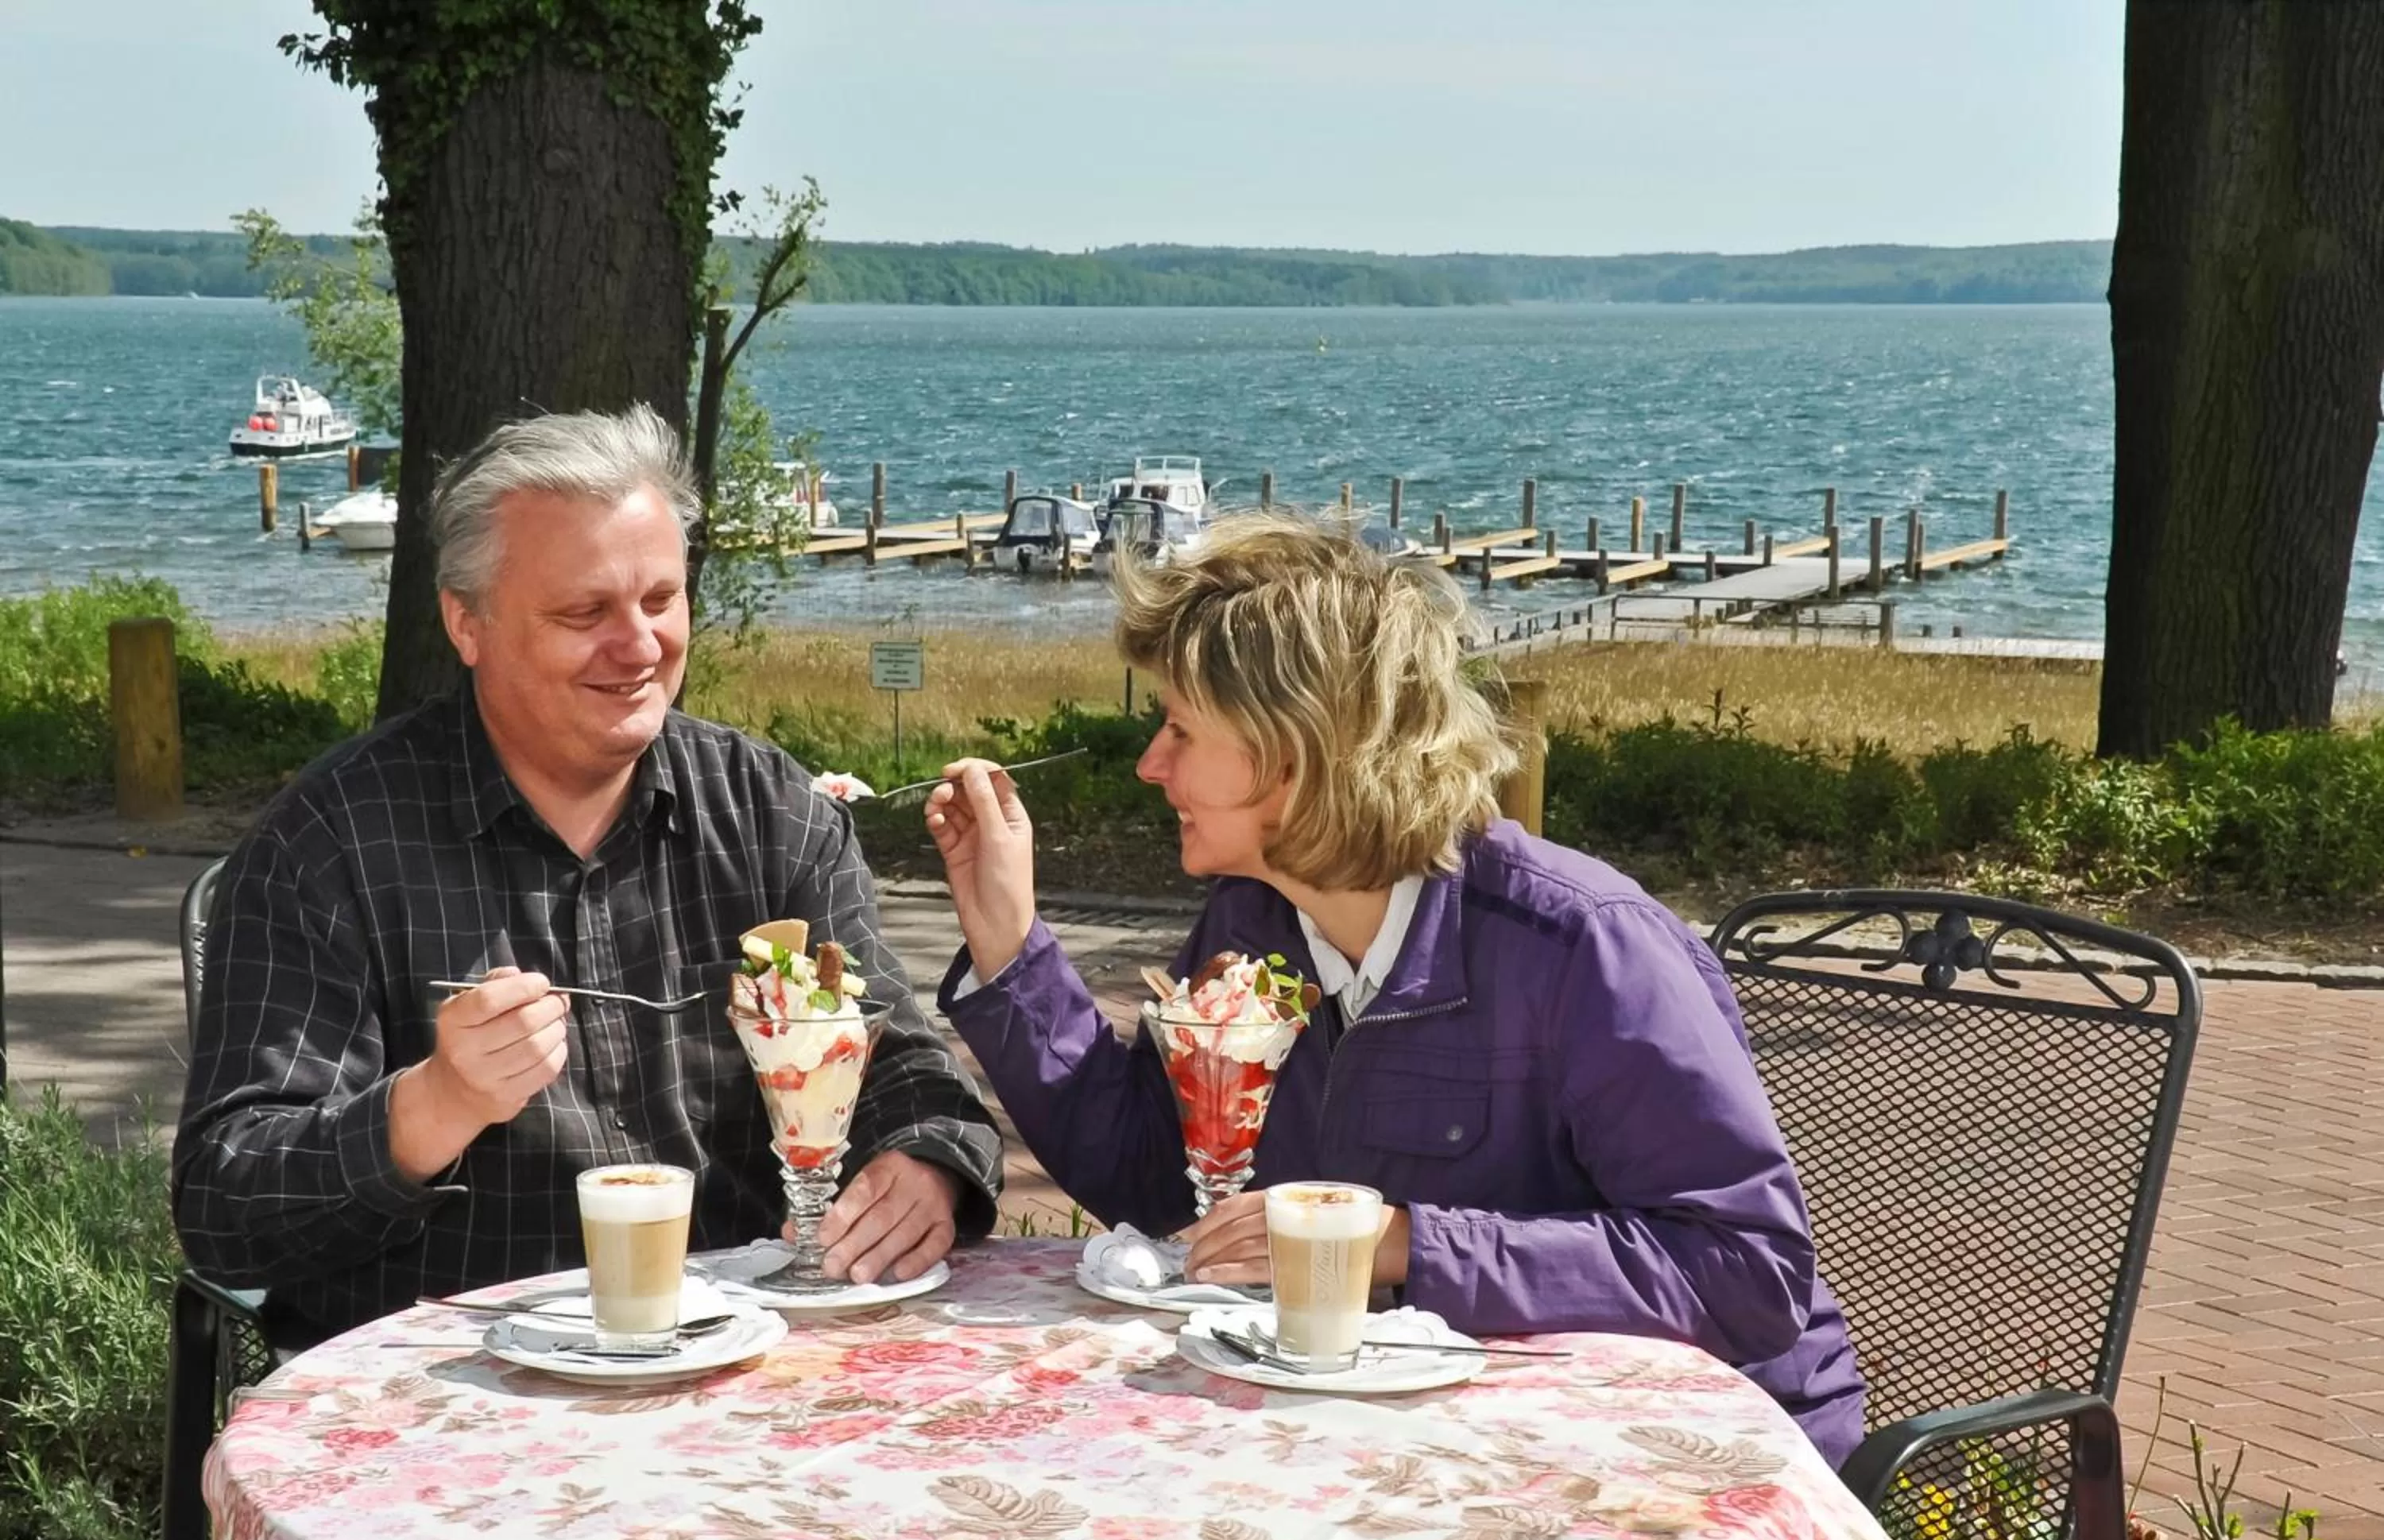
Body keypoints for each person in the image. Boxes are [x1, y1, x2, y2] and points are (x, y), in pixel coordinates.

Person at [926, 518, 1865, 1465]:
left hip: (1692, 1460)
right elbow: (1149, 1174)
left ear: (1288, 755)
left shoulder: (1583, 949)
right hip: (1419, 1441)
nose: (1151, 764)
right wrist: (1009, 940)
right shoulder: (1251, 922)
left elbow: (1747, 1271)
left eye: (1180, 728)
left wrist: (1399, 1242)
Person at [172, 406, 1004, 1350]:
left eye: (661, 599)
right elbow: (224, 1203)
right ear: (466, 623)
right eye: (585, 613)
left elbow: (907, 1072)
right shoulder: (330, 842)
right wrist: (430, 1106)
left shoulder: (772, 811)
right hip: (450, 1382)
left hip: (740, 1356)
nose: (641, 646)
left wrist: (928, 1165)